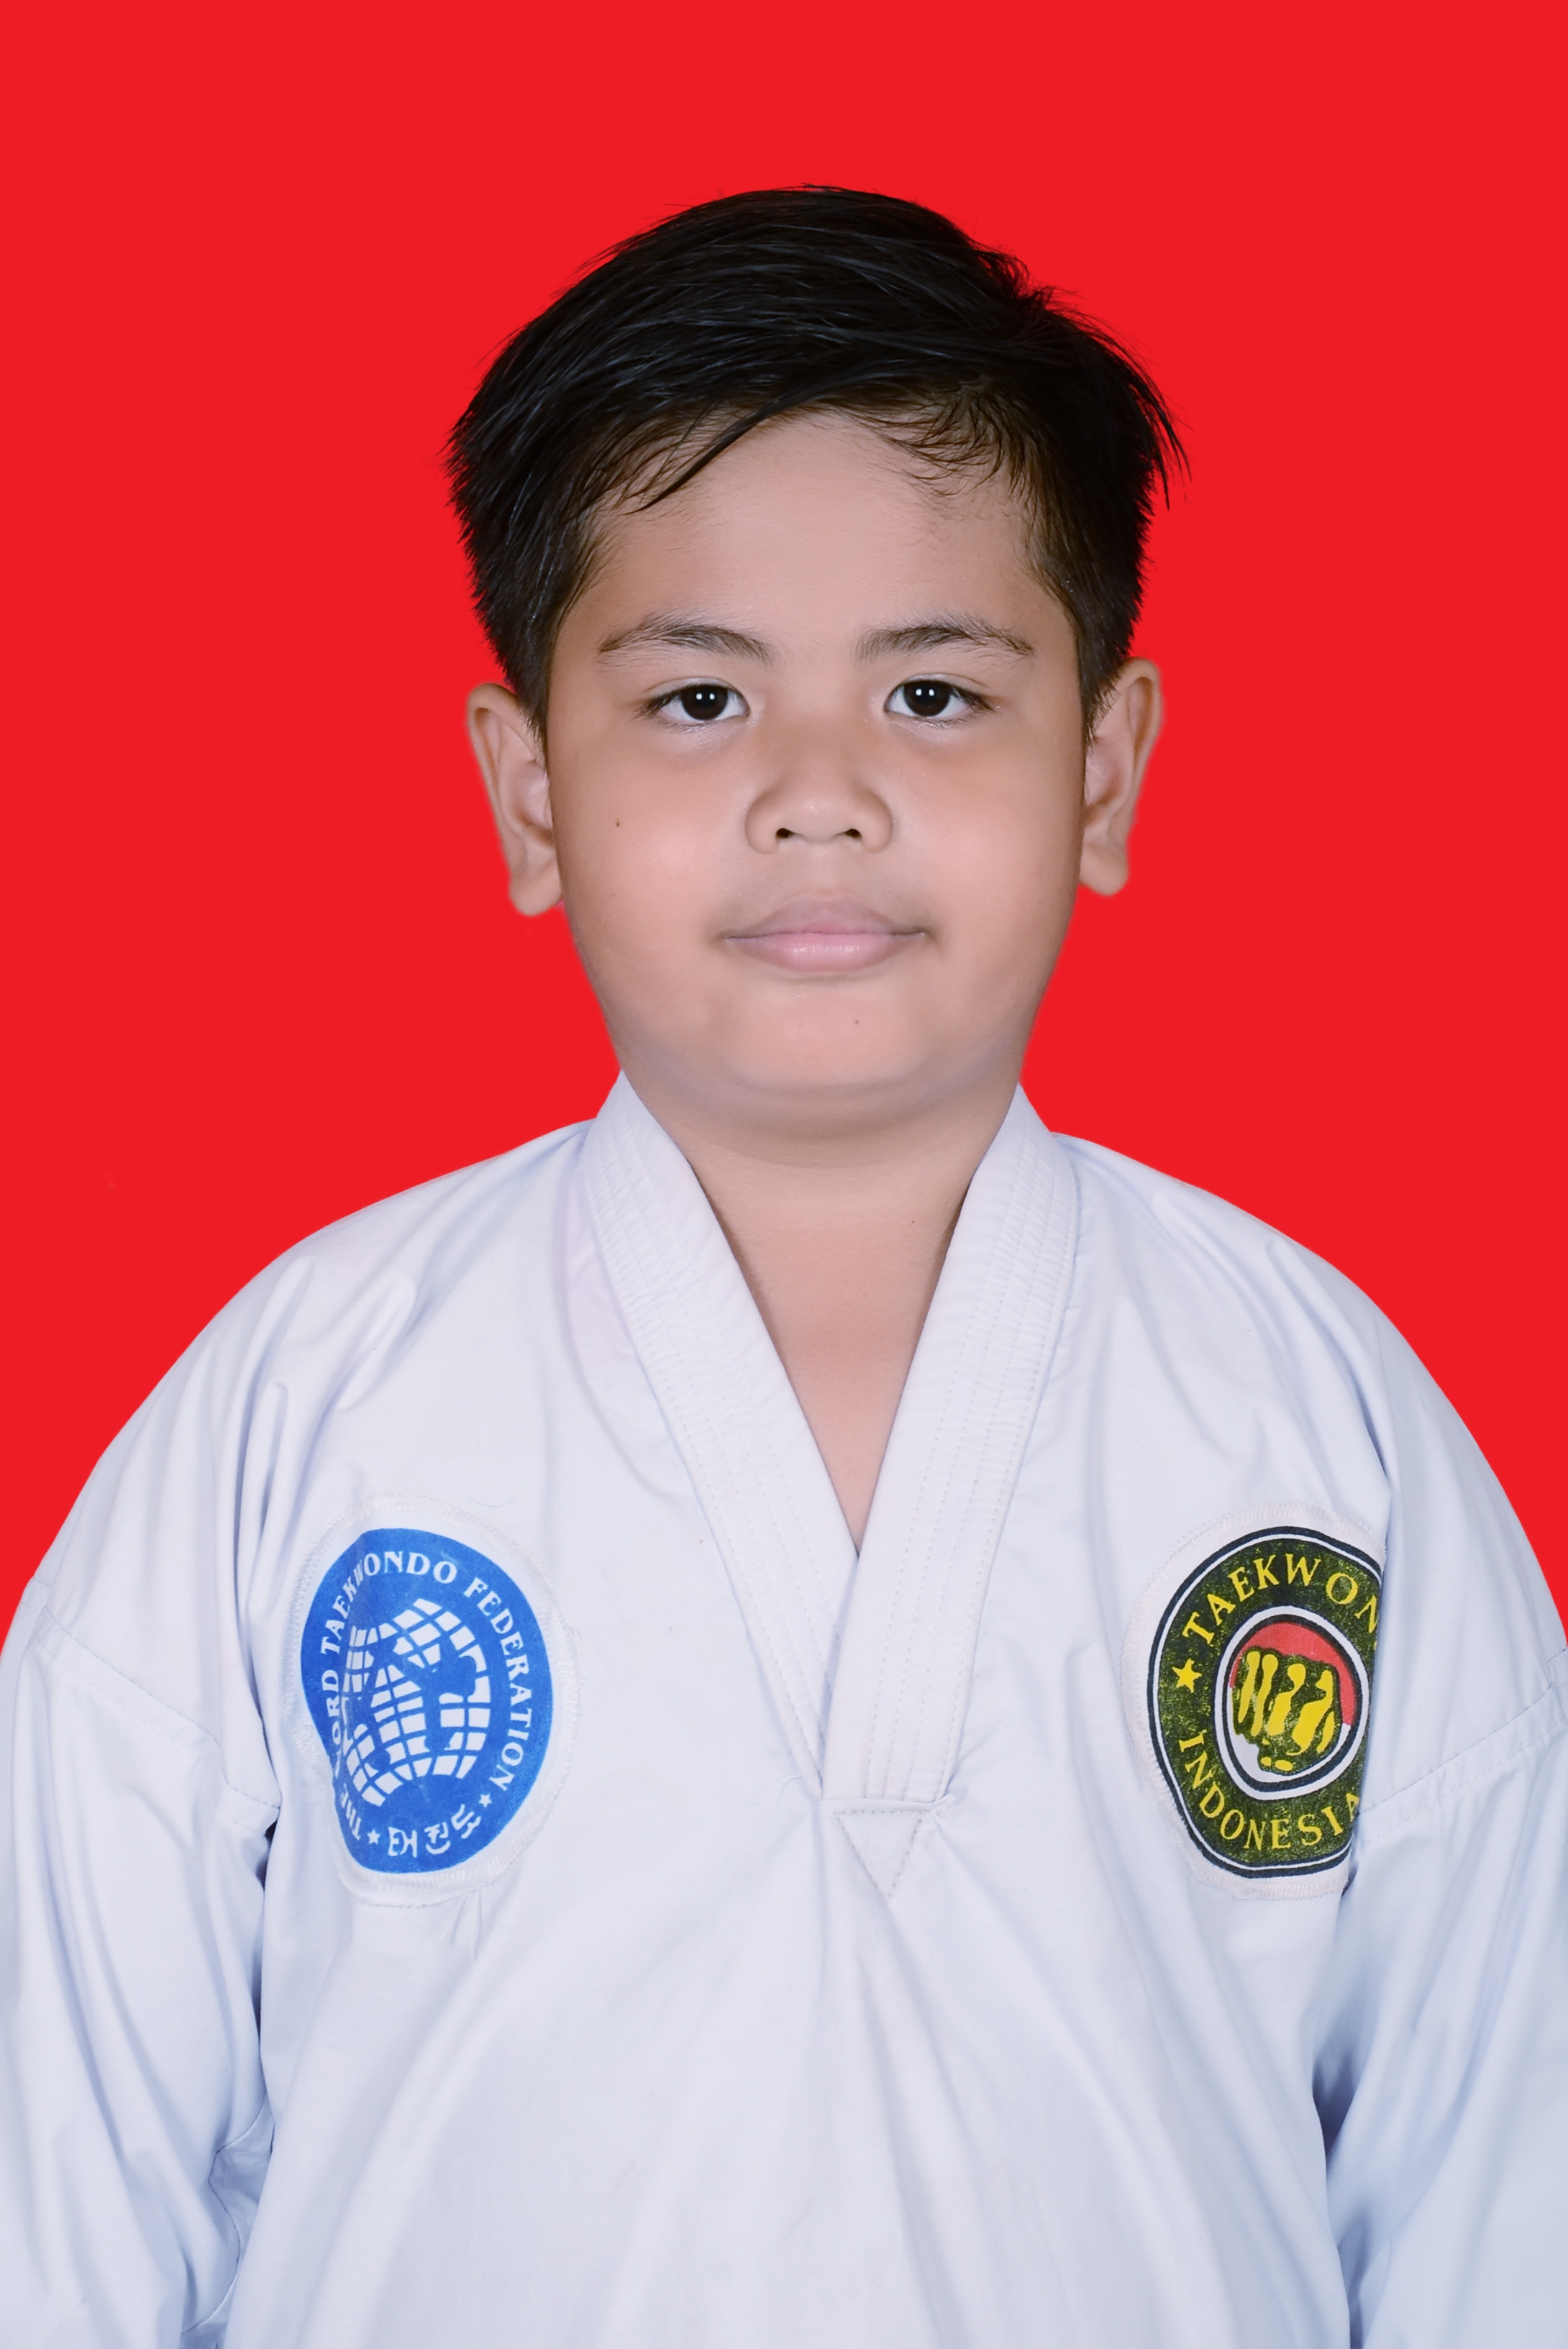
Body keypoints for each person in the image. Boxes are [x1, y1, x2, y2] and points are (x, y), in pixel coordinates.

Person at [1, 186, 1562, 2349]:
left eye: (932, 690)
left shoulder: (1318, 1421)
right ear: (527, 792)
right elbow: (60, 2188)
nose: (818, 795)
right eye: (696, 698)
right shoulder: (302, 1408)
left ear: (1102, 771)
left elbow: (1502, 2198)